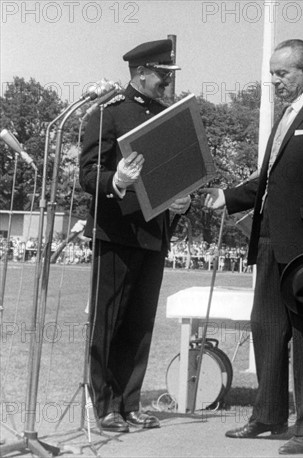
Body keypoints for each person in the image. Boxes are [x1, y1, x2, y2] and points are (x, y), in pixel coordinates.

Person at [200, 39, 303, 455]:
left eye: (282, 73)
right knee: (266, 329)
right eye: (272, 73)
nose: (274, 81)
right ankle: (267, 415)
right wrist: (228, 197)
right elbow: (265, 181)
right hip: (269, 240)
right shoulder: (284, 118)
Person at [79, 39, 191, 433]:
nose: (166, 82)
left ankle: (130, 403)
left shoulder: (166, 117)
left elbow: (176, 176)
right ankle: (106, 406)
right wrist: (117, 180)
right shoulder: (108, 113)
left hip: (153, 234)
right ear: (141, 72)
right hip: (116, 233)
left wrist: (182, 203)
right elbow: (88, 175)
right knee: (109, 321)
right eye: (162, 75)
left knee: (140, 324)